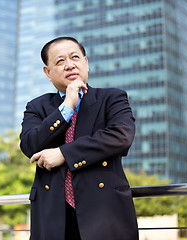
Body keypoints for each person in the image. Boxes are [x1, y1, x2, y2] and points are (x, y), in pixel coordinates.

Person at [19, 36, 139, 240]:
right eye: (60, 61)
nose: (69, 65)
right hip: (52, 219)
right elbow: (30, 145)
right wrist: (67, 106)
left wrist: (63, 154)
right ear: (47, 72)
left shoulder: (112, 98)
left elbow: (121, 136)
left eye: (75, 57)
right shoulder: (36, 107)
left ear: (86, 63)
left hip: (105, 215)